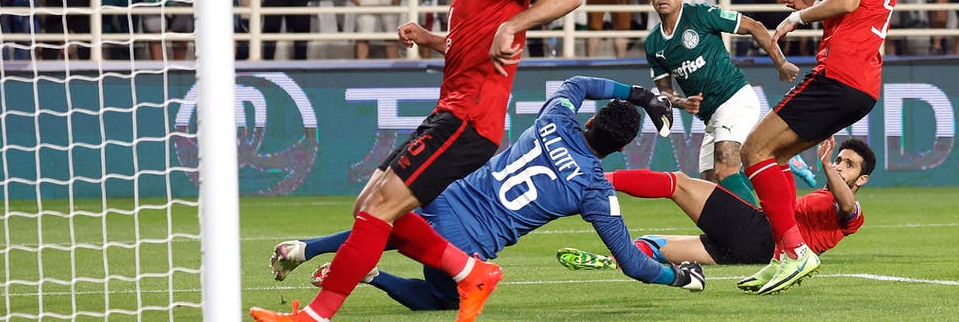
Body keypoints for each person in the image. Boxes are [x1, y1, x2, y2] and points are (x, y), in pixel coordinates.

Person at [249, 0, 581, 322]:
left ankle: (316, 315)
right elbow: (468, 47)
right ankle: (471, 272)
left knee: (378, 210)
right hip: (449, 114)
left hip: (468, 120)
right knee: (368, 209)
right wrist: (430, 39)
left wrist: (512, 25)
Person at [259, 77, 701, 316]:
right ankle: (372, 275)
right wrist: (676, 277)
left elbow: (578, 83)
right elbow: (632, 263)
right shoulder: (596, 189)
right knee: (442, 300)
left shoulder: (554, 120)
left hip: (441, 198)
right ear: (621, 149)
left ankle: (306, 249)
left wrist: (640, 95)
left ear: (589, 122)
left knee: (387, 221)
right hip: (466, 244)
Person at [739, 0, 900, 294]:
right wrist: (814, 4)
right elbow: (855, 11)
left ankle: (795, 251)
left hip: (839, 75)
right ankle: (784, 255)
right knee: (775, 158)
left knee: (753, 151)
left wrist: (799, 17)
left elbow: (847, 1)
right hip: (862, 84)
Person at [556, 136, 874, 270]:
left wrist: (826, 165)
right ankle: (614, 261)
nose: (840, 166)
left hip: (761, 235)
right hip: (757, 254)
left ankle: (595, 177)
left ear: (861, 180)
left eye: (849, 165)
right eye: (839, 160)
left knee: (678, 182)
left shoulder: (852, 214)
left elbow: (847, 206)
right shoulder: (822, 197)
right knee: (652, 244)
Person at [644, 0, 800, 184]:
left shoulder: (701, 15)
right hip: (711, 118)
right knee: (710, 188)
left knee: (725, 168)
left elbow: (754, 26)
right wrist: (682, 102)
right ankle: (775, 158)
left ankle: (773, 166)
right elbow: (665, 92)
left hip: (735, 99)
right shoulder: (653, 43)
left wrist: (781, 63)